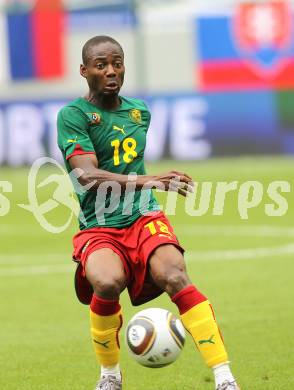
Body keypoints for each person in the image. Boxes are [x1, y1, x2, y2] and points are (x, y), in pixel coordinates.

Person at [57, 35, 240, 390]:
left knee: (174, 274)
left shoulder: (139, 111)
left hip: (143, 216)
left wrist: (146, 187)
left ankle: (224, 377)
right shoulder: (73, 116)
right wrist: (152, 179)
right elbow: (87, 176)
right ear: (84, 71)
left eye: (117, 63)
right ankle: (110, 375)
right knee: (107, 282)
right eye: (101, 65)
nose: (111, 71)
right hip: (100, 224)